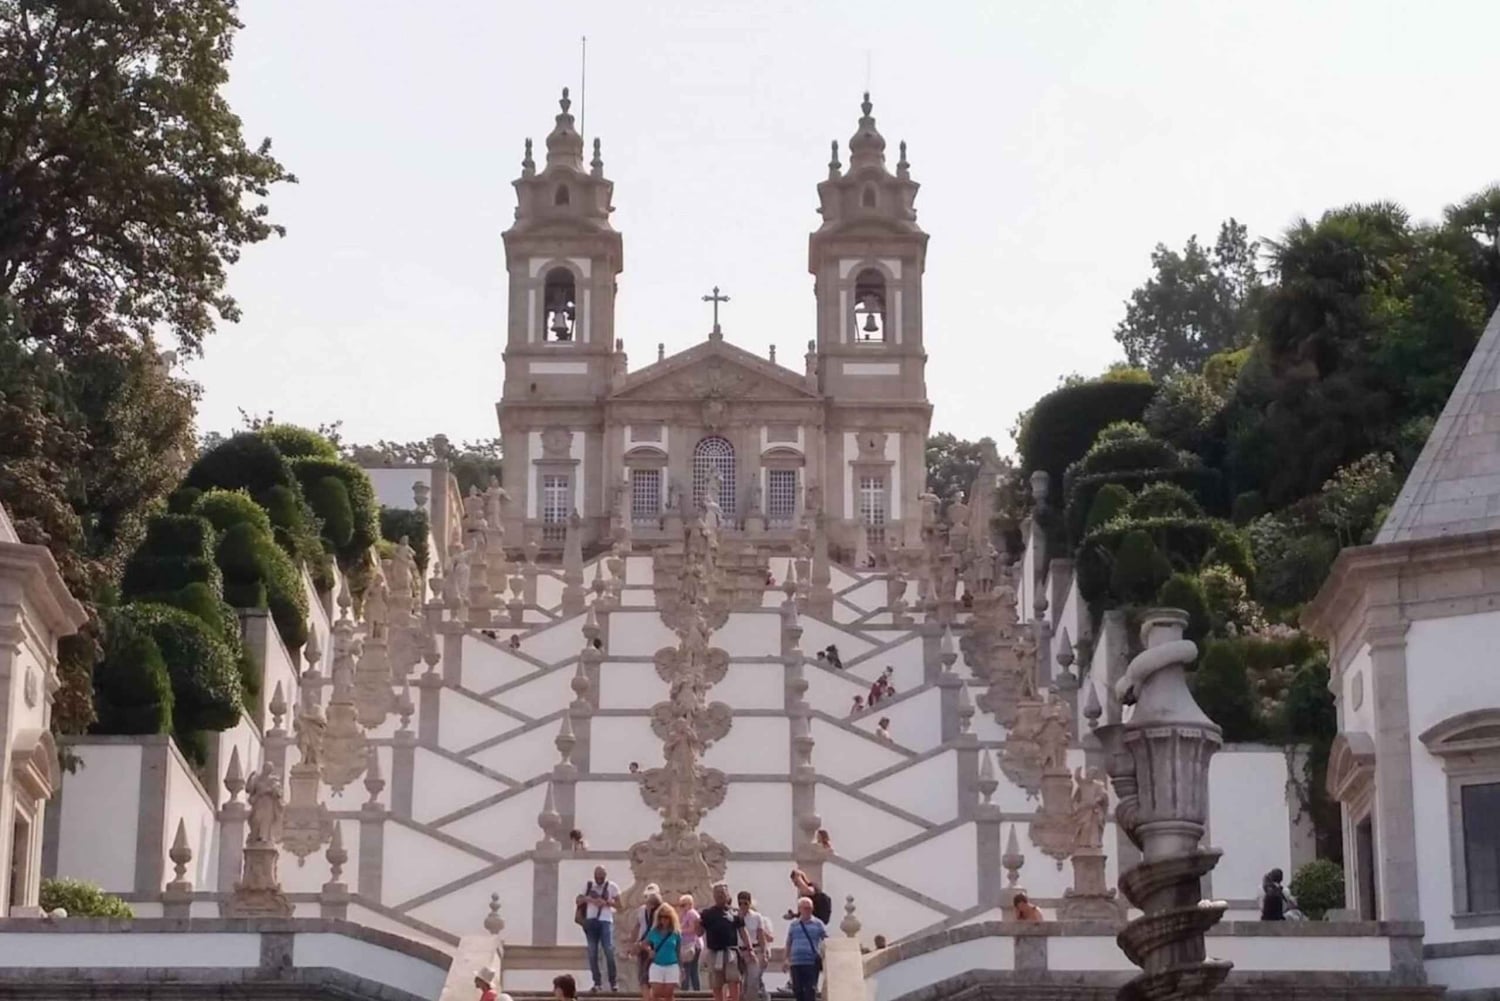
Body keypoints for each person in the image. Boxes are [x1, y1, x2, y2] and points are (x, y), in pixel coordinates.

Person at [576, 865, 620, 992]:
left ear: (605, 876)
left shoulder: (612, 887)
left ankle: (613, 981)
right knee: (592, 952)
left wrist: (606, 903)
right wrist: (589, 899)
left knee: (608, 950)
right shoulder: (589, 886)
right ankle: (597, 982)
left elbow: (620, 905)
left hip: (605, 921)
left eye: (601, 876)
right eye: (597, 876)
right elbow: (578, 900)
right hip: (591, 920)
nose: (599, 879)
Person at [699, 882, 745, 1001]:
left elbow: (742, 931)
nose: (720, 896)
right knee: (716, 982)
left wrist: (749, 948)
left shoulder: (734, 912)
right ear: (713, 896)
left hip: (731, 952)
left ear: (727, 895)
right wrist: (696, 924)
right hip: (714, 952)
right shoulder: (707, 913)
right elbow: (699, 932)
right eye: (717, 893)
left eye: (722, 893)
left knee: (734, 979)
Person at [782, 896, 827, 1001]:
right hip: (796, 962)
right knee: (797, 989)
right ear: (800, 909)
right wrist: (786, 959)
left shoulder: (818, 924)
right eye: (805, 908)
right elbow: (789, 942)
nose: (808, 910)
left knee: (810, 989)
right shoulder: (794, 925)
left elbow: (825, 940)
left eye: (810, 908)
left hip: (811, 962)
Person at [737, 890, 773, 1001]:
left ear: (750, 903)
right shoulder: (735, 916)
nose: (743, 906)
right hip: (738, 952)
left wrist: (765, 953)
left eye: (745, 903)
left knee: (753, 980)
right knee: (741, 982)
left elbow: (761, 935)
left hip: (754, 951)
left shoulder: (757, 917)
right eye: (740, 903)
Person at [643, 902, 683, 1000]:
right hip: (657, 964)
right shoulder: (654, 932)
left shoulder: (676, 933)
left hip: (672, 964)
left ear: (671, 918)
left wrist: (681, 967)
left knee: (669, 993)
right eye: (661, 917)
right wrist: (649, 950)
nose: (663, 920)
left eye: (666, 917)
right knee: (656, 992)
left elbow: (678, 951)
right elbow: (644, 944)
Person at [635, 884, 664, 1001]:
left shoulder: (661, 914)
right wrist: (635, 942)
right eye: (647, 897)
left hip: (654, 947)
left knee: (650, 978)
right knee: (643, 978)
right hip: (644, 946)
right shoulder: (641, 911)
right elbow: (637, 927)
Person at [677, 894, 703, 991]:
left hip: (691, 944)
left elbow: (693, 929)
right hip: (691, 944)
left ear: (690, 904)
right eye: (680, 905)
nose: (681, 908)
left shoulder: (691, 914)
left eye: (683, 905)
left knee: (687, 969)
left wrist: (680, 931)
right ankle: (695, 991)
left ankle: (685, 991)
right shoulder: (688, 914)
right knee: (692, 970)